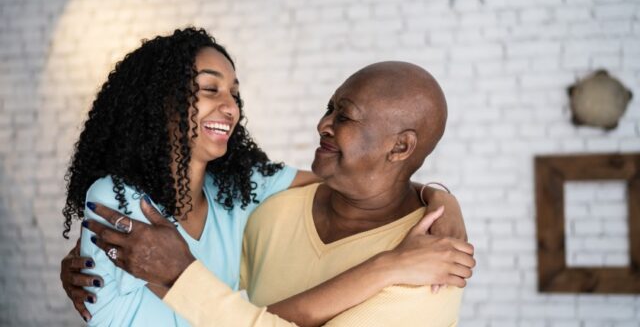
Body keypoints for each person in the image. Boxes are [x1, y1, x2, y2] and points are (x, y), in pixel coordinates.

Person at [60, 27, 469, 325]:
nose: (230, 107)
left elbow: (367, 182)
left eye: (234, 94)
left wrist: (438, 202)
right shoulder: (121, 199)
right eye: (209, 89)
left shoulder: (240, 192)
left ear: (400, 147)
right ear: (157, 102)